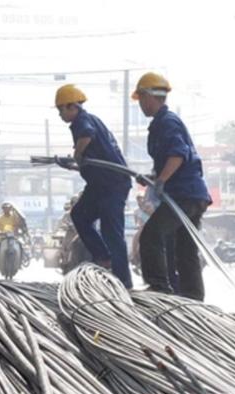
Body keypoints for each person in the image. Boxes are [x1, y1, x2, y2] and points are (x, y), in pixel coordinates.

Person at [133, 72, 211, 301]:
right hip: (193, 195)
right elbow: (171, 159)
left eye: (140, 99)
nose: (140, 105)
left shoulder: (167, 122)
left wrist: (161, 181)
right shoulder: (162, 123)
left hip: (184, 196)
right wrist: (154, 176)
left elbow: (178, 154)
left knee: (151, 235)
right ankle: (193, 297)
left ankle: (158, 287)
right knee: (185, 248)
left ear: (150, 96)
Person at [55, 84, 133, 287]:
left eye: (61, 109)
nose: (60, 114)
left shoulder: (84, 121)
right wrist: (73, 163)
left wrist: (77, 155)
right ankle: (103, 256)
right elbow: (89, 161)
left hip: (113, 184)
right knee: (79, 215)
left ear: (72, 106)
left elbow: (87, 135)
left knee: (111, 231)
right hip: (98, 184)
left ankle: (124, 281)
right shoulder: (84, 123)